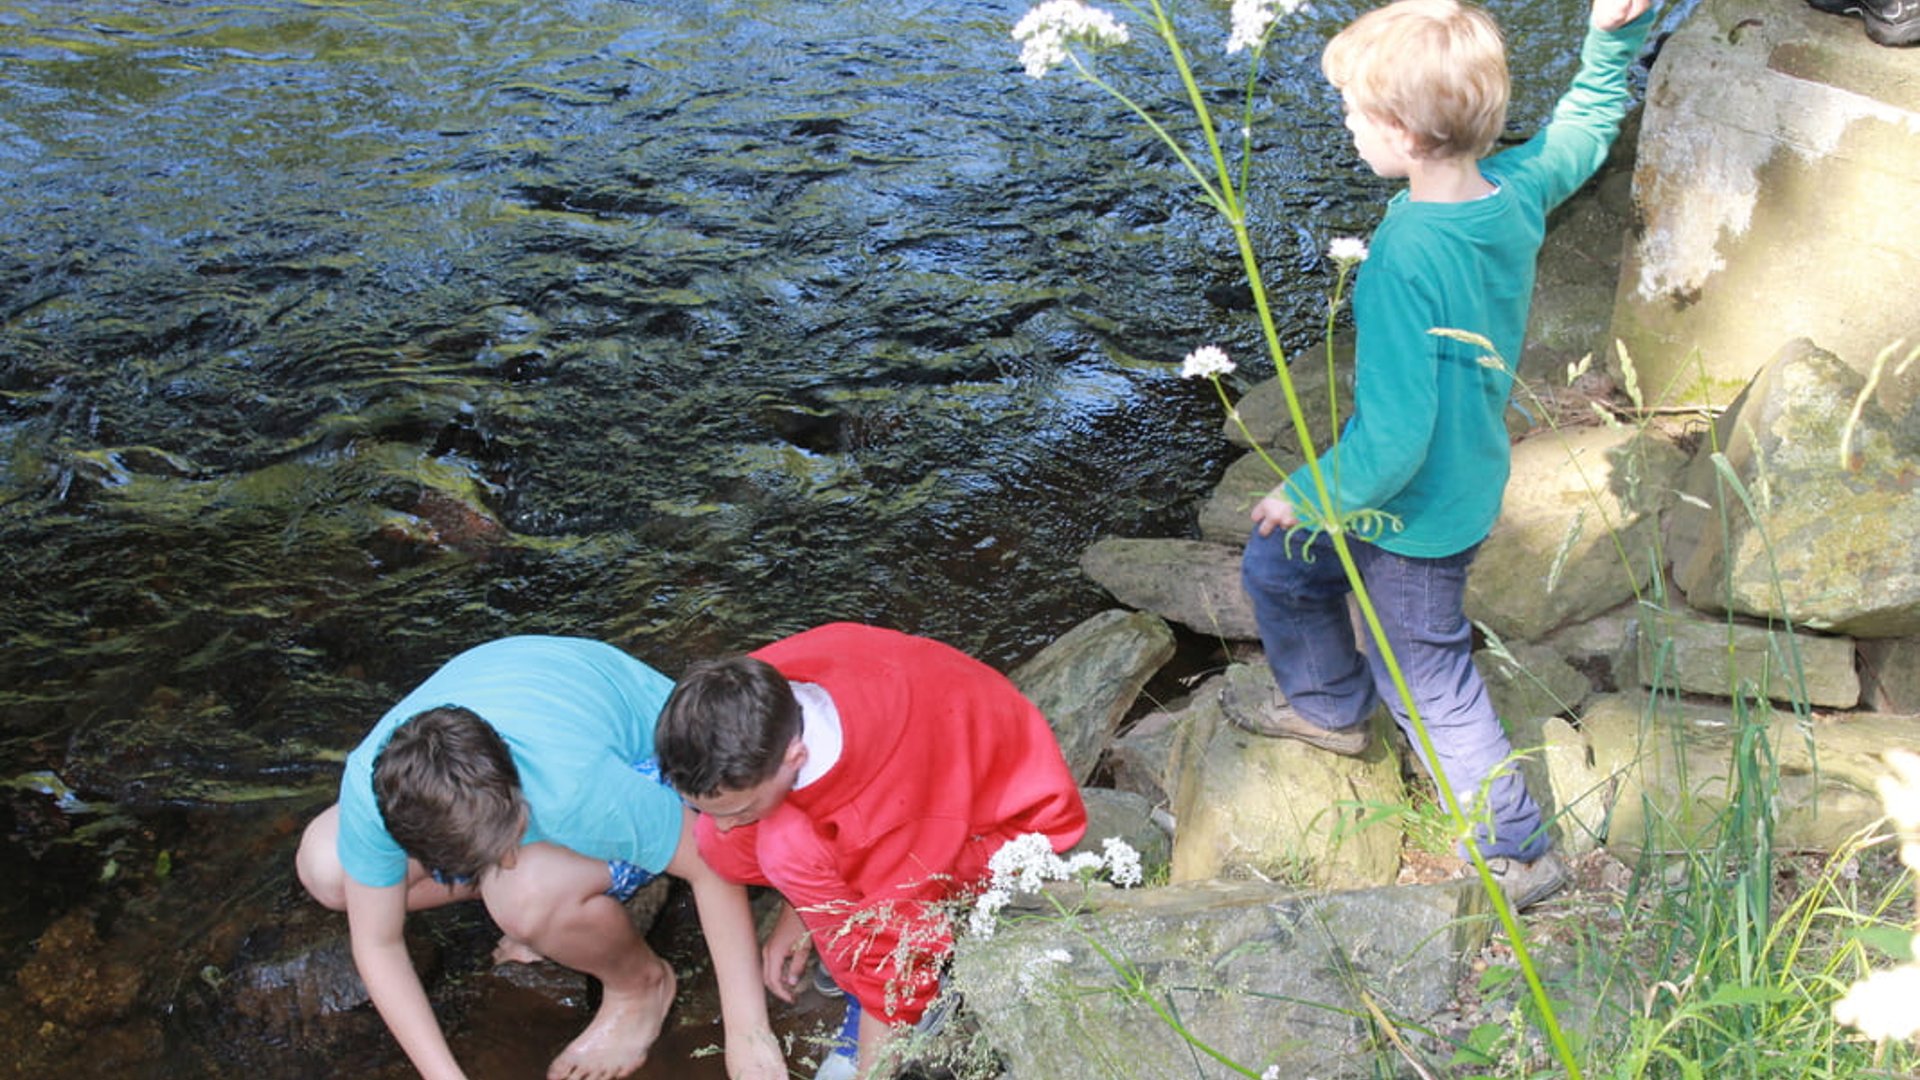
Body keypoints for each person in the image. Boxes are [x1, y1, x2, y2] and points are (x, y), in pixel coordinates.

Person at [1232, 0, 1656, 911]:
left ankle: (1520, 853)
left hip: (1416, 512)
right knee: (1278, 565)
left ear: (1405, 133)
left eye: (1353, 111)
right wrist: (1611, 38)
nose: (1345, 124)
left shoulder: (1401, 257)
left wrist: (1311, 491)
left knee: (1427, 680)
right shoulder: (1511, 190)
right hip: (1457, 477)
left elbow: (1393, 437)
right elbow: (1583, 128)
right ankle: (1330, 709)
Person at [294, 636, 786, 1080]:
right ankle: (556, 891)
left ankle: (640, 987)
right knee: (328, 871)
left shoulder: (574, 782)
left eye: (507, 838)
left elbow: (707, 865)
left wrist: (747, 1034)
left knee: (523, 895)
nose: (505, 858)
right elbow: (378, 944)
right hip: (535, 746)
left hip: (646, 762)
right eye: (487, 856)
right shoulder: (369, 787)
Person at [653, 622, 1087, 1080]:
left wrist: (872, 1067)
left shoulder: (885, 815)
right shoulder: (752, 690)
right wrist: (799, 912)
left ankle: (915, 1002)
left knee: (788, 853)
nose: (721, 822)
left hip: (1007, 826)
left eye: (739, 807)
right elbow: (731, 826)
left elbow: (900, 941)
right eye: (701, 806)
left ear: (794, 757)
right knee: (719, 847)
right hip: (937, 773)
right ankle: (826, 918)